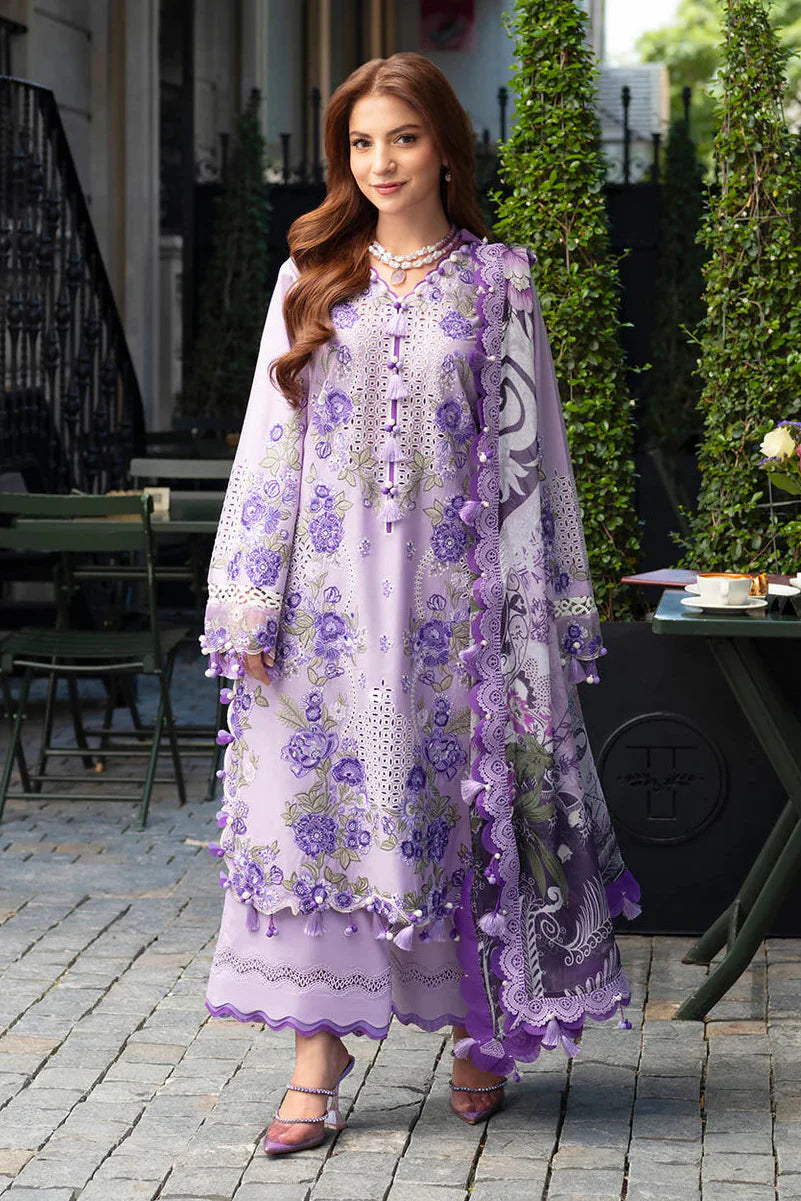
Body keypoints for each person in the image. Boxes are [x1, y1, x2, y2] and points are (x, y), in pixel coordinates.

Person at [200, 52, 640, 1156]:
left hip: (457, 617)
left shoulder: (499, 282)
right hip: (324, 614)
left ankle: (480, 1028)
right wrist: (249, 596)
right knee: (317, 820)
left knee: (455, 818)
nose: (381, 162)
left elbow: (534, 457)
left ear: (445, 145)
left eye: (402, 137)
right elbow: (270, 446)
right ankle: (316, 1055)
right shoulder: (311, 276)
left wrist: (535, 616)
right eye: (360, 143)